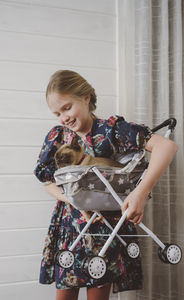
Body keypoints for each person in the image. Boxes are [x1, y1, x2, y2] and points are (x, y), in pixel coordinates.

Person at [34, 70, 178, 300]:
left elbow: (167, 147)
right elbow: (47, 181)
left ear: (86, 98)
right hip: (70, 228)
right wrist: (73, 199)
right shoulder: (58, 136)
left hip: (106, 229)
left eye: (67, 107)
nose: (63, 118)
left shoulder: (112, 130)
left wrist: (140, 193)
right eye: (57, 113)